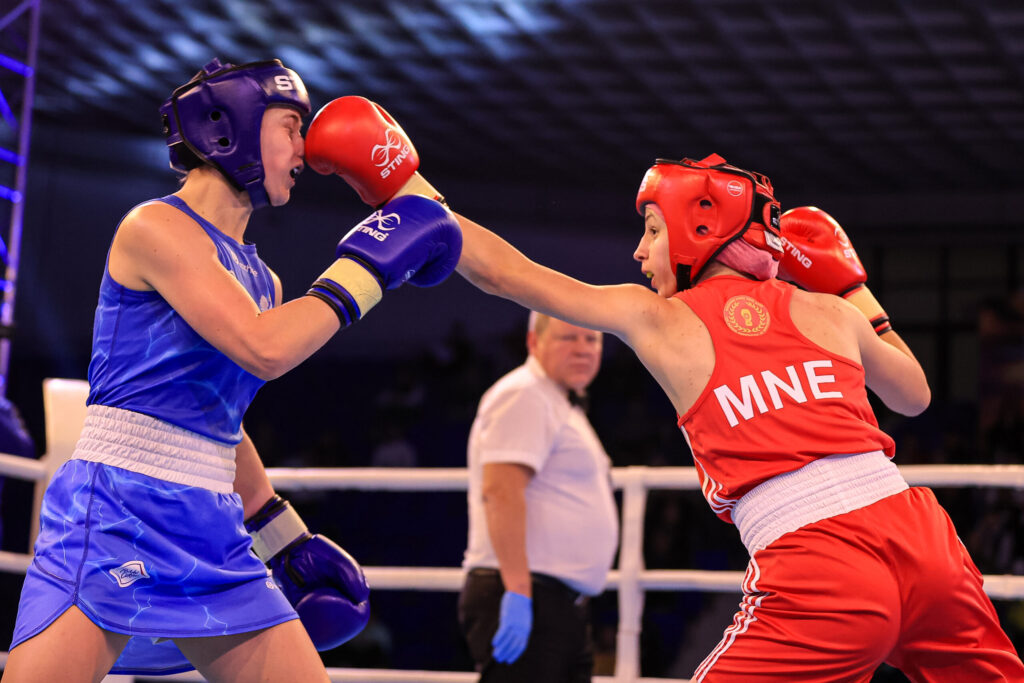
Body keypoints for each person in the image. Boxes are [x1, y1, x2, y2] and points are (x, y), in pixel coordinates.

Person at [309, 112, 1024, 680]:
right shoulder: (829, 311)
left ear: (696, 229)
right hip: (924, 540)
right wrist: (851, 286)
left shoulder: (659, 317)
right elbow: (916, 395)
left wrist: (408, 186)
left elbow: (509, 274)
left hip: (819, 563)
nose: (639, 251)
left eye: (651, 230)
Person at [2, 60, 461, 683]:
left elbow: (220, 417)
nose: (306, 148)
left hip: (211, 521)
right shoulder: (155, 226)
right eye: (291, 125)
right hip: (117, 506)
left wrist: (278, 530)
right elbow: (263, 348)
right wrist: (371, 265)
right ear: (229, 127)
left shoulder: (262, 280)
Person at [458, 311, 618, 682]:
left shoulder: (558, 402)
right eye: (568, 338)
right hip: (526, 592)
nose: (583, 349)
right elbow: (501, 491)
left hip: (556, 602)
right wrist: (518, 592)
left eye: (592, 339)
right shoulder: (525, 394)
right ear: (534, 342)